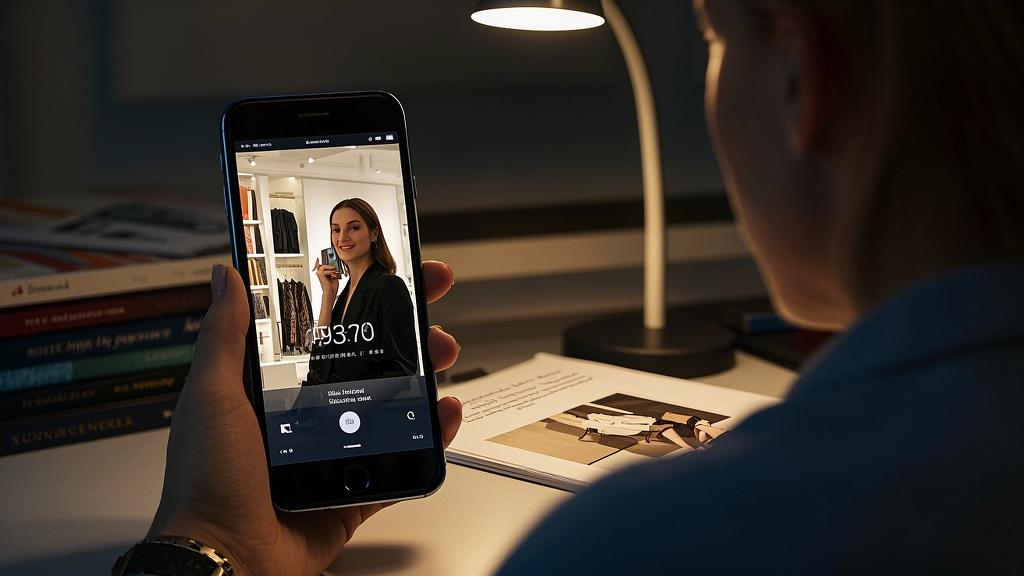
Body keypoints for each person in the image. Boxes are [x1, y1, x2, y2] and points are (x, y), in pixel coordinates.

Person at [128, 0, 1024, 573]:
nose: (346, 238)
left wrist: (212, 545)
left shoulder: (641, 546)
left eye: (714, 39)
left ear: (803, 74)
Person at [305, 198, 418, 385]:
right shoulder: (343, 294)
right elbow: (319, 362)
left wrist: (355, 401)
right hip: (325, 402)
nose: (342, 238)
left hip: (361, 408)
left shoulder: (389, 287)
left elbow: (401, 369)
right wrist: (328, 295)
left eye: (354, 228)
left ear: (374, 234)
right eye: (336, 230)